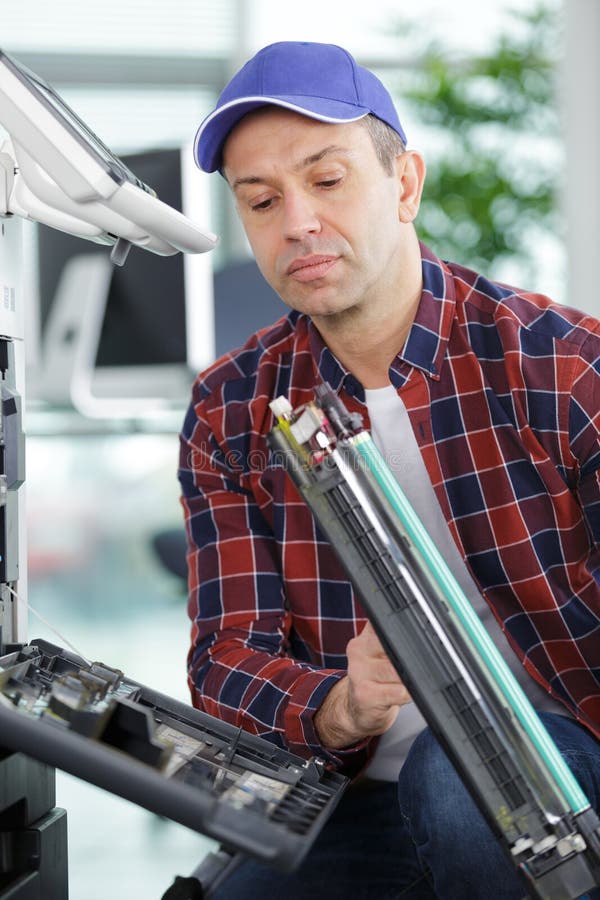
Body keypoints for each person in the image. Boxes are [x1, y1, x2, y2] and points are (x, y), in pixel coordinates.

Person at [178, 41, 600, 899]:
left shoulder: (563, 367)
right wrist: (342, 705)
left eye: (327, 182)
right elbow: (226, 657)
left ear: (404, 184)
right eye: (261, 201)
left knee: (458, 781)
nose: (296, 221)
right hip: (354, 793)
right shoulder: (232, 407)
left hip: (569, 772)